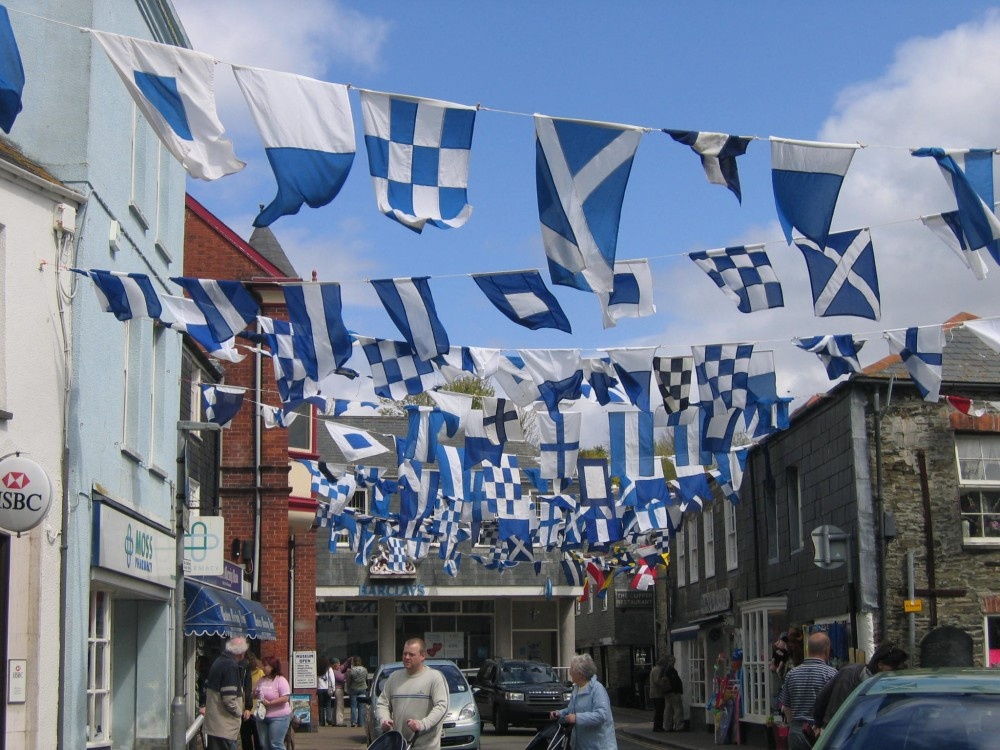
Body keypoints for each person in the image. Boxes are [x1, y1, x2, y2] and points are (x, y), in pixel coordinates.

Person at [813, 642, 908, 732]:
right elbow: (822, 699)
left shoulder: (888, 686)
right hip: (838, 734)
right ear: (880, 665)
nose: (895, 674)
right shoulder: (849, 675)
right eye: (894, 669)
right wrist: (819, 724)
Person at [375, 638, 449, 750]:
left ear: (423, 656)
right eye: (405, 654)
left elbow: (442, 707)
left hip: (426, 746)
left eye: (411, 654)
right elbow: (382, 704)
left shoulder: (435, 677)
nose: (407, 657)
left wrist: (422, 724)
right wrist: (384, 720)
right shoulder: (394, 677)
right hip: (400, 745)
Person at [778, 632, 838, 750]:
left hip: (797, 732)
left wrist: (793, 725)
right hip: (821, 732)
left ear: (807, 650)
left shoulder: (792, 674)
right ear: (827, 650)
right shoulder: (831, 674)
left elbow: (786, 707)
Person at [550, 653, 617, 750]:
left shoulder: (597, 689)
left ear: (580, 674)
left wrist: (577, 718)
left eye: (571, 669)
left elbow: (602, 715)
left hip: (598, 746)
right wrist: (559, 713)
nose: (569, 672)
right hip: (580, 746)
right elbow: (571, 710)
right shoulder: (577, 688)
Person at [203, 636, 249, 750]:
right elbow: (229, 699)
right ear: (241, 653)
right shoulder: (230, 666)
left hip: (215, 725)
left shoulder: (219, 661)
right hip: (225, 726)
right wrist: (239, 713)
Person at [255, 655, 293, 750]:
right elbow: (255, 694)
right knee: (264, 745)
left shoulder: (281, 680)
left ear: (272, 667)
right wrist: (255, 692)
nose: (262, 667)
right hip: (262, 717)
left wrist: (270, 703)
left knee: (276, 744)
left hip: (279, 717)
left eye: (265, 665)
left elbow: (285, 698)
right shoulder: (261, 680)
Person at [240, 652, 264, 750]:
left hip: (255, 710)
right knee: (245, 738)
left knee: (258, 738)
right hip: (243, 708)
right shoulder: (242, 673)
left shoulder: (260, 673)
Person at [661, 655, 684, 732]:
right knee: (678, 709)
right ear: (669, 661)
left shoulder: (663, 669)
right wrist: (676, 690)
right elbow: (674, 682)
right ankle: (679, 726)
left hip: (666, 693)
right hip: (673, 693)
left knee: (668, 710)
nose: (674, 662)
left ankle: (667, 726)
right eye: (673, 661)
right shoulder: (671, 670)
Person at [346, 656, 368, 728]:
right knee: (361, 706)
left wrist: (348, 688)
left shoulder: (351, 670)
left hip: (353, 688)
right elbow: (366, 678)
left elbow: (349, 680)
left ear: (354, 662)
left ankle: (353, 722)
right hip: (363, 688)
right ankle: (361, 723)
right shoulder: (365, 669)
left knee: (353, 706)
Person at [648, 656, 668, 733]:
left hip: (656, 694)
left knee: (659, 711)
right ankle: (657, 727)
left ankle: (658, 726)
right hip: (657, 694)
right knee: (659, 711)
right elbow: (657, 681)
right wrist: (664, 683)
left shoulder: (656, 669)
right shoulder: (657, 670)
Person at [331, 658, 347, 726]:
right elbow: (341, 678)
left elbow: (343, 666)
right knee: (340, 706)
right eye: (338, 664)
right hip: (338, 689)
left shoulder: (336, 670)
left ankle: (334, 721)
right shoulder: (335, 671)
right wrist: (347, 673)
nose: (339, 666)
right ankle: (339, 722)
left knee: (336, 706)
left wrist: (350, 660)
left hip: (337, 689)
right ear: (334, 665)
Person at [316, 658, 331, 726]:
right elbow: (332, 679)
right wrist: (332, 688)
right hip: (327, 689)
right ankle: (329, 719)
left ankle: (322, 722)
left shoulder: (317, 668)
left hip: (319, 689)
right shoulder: (329, 669)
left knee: (321, 705)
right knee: (328, 704)